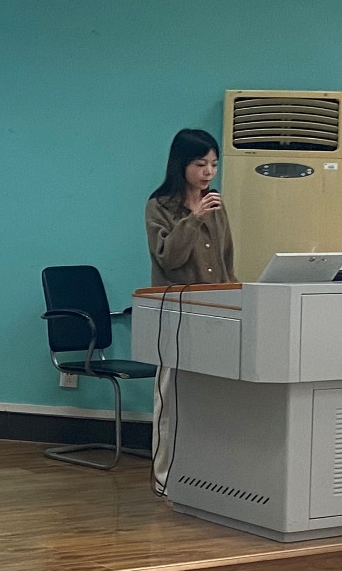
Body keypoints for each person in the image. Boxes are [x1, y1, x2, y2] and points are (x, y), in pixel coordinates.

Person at [144, 128, 237, 495]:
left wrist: (237, 299)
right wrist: (193, 218)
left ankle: (206, 476)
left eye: (214, 164)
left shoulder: (216, 204)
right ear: (181, 164)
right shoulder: (159, 206)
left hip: (215, 313)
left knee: (211, 399)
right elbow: (169, 257)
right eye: (200, 164)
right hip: (176, 316)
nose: (208, 172)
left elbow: (225, 261)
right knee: (170, 400)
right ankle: (164, 478)